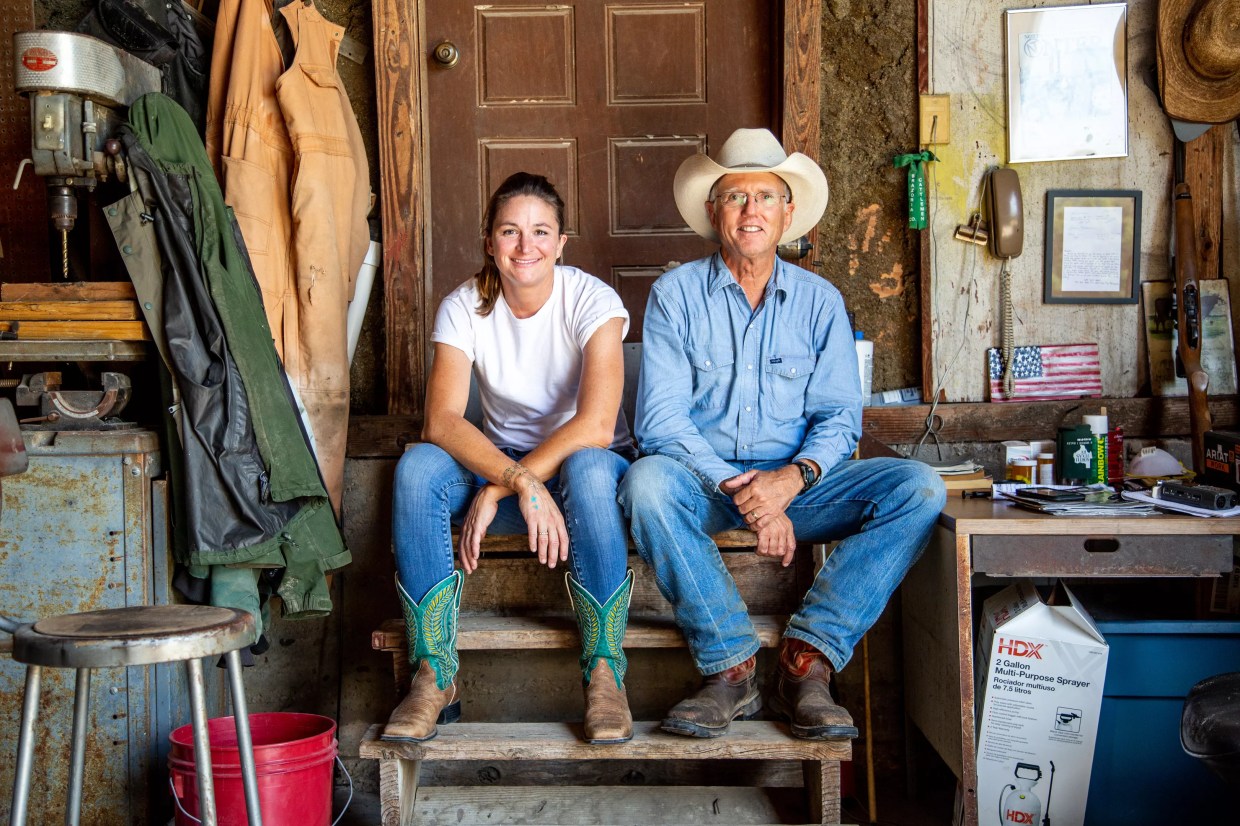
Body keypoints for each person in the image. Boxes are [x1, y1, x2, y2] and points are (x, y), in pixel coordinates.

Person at [618, 128, 946, 741]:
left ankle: (806, 662)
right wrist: (748, 491)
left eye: (765, 197)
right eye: (736, 197)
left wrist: (788, 482)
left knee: (919, 488)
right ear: (714, 211)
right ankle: (732, 667)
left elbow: (840, 420)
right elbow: (661, 422)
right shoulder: (675, 296)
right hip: (705, 484)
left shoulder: (822, 302)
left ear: (787, 212)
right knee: (644, 483)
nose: (751, 211)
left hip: (799, 489)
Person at [384, 172, 636, 745]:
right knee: (418, 467)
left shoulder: (593, 300)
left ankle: (604, 673)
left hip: (585, 477)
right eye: (510, 231)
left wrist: (503, 487)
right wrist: (516, 480)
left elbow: (597, 424)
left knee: (590, 467)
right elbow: (441, 421)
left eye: (541, 231)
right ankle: (434, 674)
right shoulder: (463, 306)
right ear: (489, 240)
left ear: (562, 241)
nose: (527, 247)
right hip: (513, 475)